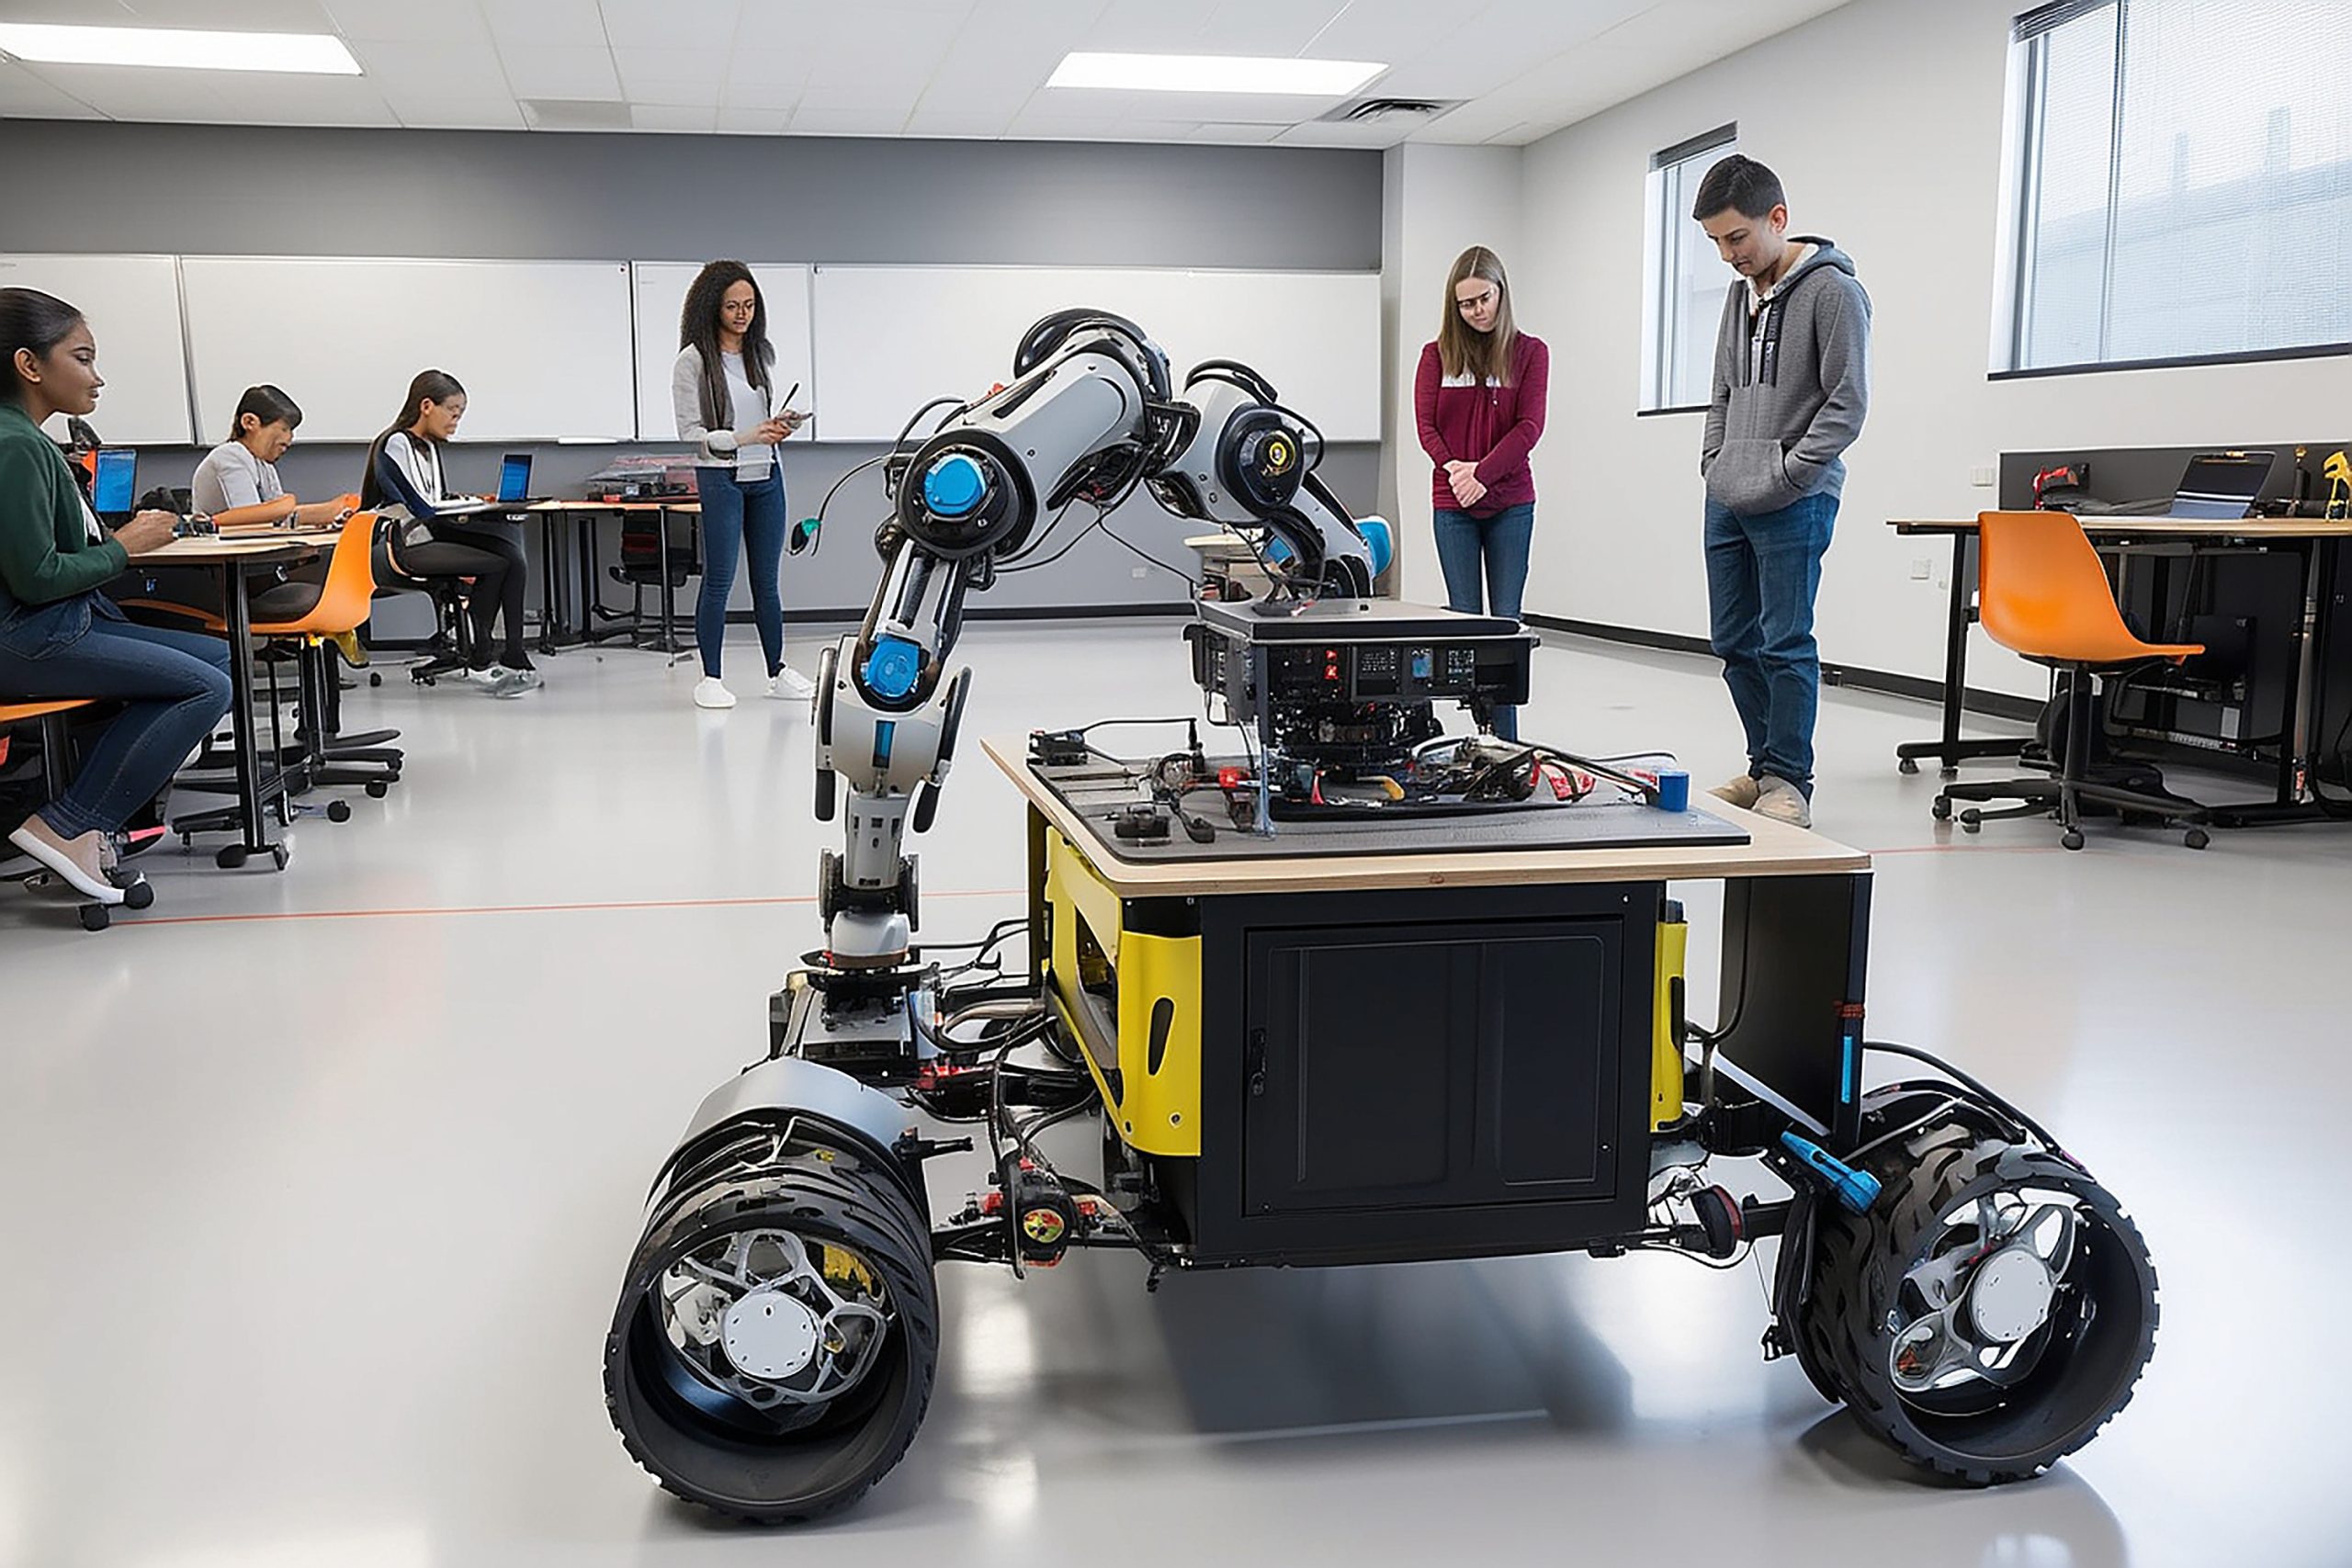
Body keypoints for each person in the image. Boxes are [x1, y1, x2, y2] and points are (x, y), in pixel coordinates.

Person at [0, 287, 232, 905]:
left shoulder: (30, 440)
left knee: (220, 657)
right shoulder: (15, 445)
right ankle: (69, 824)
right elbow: (38, 578)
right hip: (27, 636)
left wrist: (124, 539)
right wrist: (127, 546)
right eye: (83, 359)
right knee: (207, 687)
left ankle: (107, 794)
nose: (97, 378)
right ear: (29, 365)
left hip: (54, 622)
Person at [1692, 155, 1871, 829]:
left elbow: (1847, 403)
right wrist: (1715, 464)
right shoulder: (1738, 297)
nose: (1727, 255)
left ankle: (1790, 780)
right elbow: (1721, 391)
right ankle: (1763, 765)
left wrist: (1791, 473)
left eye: (1736, 237)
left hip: (1795, 498)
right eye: (1715, 242)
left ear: (1778, 218)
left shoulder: (1835, 292)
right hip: (1728, 493)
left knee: (1784, 641)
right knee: (1733, 640)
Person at [1414, 245, 1548, 742]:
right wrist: (1457, 472)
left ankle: (1505, 744)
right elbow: (1426, 427)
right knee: (1465, 623)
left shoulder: (1530, 353)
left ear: (1501, 293)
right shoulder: (1436, 356)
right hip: (1454, 504)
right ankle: (1479, 736)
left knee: (1505, 626)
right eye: (1466, 304)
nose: (1477, 311)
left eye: (1483, 299)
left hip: (1511, 503)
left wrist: (1483, 475)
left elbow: (1529, 426)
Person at [672, 261, 811, 711]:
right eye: (732, 306)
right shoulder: (692, 361)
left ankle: (777, 671)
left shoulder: (758, 354)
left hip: (766, 475)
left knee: (767, 582)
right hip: (721, 478)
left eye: (749, 305)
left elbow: (757, 417)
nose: (742, 314)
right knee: (719, 580)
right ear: (712, 307)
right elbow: (691, 435)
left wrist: (778, 426)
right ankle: (711, 678)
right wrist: (745, 437)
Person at [361, 370, 539, 696]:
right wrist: (466, 508)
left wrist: (470, 503)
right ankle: (482, 653)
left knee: (511, 552)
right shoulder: (395, 443)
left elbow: (435, 497)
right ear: (427, 406)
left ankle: (510, 652)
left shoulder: (429, 446)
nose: (456, 421)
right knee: (501, 560)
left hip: (431, 531)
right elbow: (418, 506)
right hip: (405, 542)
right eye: (453, 412)